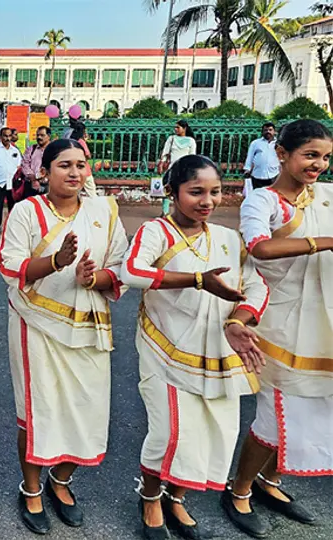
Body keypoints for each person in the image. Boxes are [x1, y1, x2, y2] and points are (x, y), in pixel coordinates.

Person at [121, 155, 269, 540]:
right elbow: (133, 272)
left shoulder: (227, 239)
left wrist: (239, 320)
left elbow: (256, 285)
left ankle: (177, 496)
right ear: (173, 192)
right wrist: (198, 280)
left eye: (215, 192)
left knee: (209, 430)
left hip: (219, 352)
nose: (207, 201)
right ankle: (151, 497)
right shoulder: (158, 231)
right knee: (170, 433)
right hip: (164, 348)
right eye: (196, 192)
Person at [0, 139, 129, 535]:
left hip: (89, 325)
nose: (75, 172)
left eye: (81, 165)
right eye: (64, 165)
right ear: (44, 172)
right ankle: (33, 488)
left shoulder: (103, 211)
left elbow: (121, 265)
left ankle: (62, 480)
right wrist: (56, 261)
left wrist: (95, 277)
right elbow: (10, 265)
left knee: (88, 410)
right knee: (40, 412)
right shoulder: (26, 211)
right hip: (37, 323)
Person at [224, 119, 333, 539]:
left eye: (324, 157)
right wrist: (323, 242)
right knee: (273, 418)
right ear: (283, 154)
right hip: (278, 320)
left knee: (311, 409)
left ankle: (270, 483)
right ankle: (240, 489)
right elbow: (261, 248)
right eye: (310, 155)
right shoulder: (263, 202)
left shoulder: (324, 197)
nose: (318, 165)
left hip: (322, 320)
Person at [159, 120, 197, 215]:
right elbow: (165, 152)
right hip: (171, 168)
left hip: (184, 169)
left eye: (178, 127)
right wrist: (161, 163)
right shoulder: (171, 139)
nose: (176, 129)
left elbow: (192, 156)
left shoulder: (191, 141)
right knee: (167, 189)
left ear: (184, 128)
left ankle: (181, 212)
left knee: (182, 191)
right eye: (175, 127)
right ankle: (165, 212)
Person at [243, 122, 280, 198]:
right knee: (258, 195)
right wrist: (247, 169)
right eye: (265, 130)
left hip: (274, 174)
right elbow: (250, 156)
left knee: (272, 195)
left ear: (274, 132)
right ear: (262, 132)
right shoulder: (255, 143)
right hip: (257, 174)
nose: (268, 132)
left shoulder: (278, 144)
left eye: (270, 130)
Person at [18, 126, 51, 198]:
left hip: (48, 185)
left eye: (42, 135)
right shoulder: (31, 149)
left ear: (48, 136)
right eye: (37, 135)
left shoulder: (54, 149)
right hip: (31, 185)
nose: (39, 137)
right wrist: (33, 179)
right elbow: (25, 164)